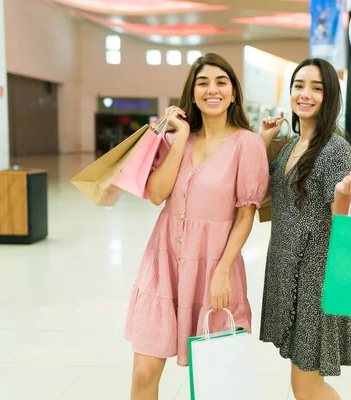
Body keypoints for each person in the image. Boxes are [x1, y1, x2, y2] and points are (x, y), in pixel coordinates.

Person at [125, 53, 269, 400]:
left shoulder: (247, 144)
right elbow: (158, 194)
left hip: (214, 268)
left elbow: (246, 216)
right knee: (144, 372)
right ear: (192, 93)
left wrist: (222, 272)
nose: (212, 90)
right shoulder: (178, 139)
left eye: (221, 82)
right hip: (163, 264)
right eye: (202, 83)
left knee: (215, 381)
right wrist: (182, 134)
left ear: (234, 93)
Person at [258, 58, 351, 400]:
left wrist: (341, 197)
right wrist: (264, 141)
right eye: (299, 85)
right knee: (303, 384)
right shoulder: (291, 146)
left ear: (330, 97)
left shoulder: (336, 149)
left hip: (315, 281)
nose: (304, 94)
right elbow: (262, 194)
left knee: (305, 386)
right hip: (288, 272)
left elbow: (344, 228)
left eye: (316, 87)